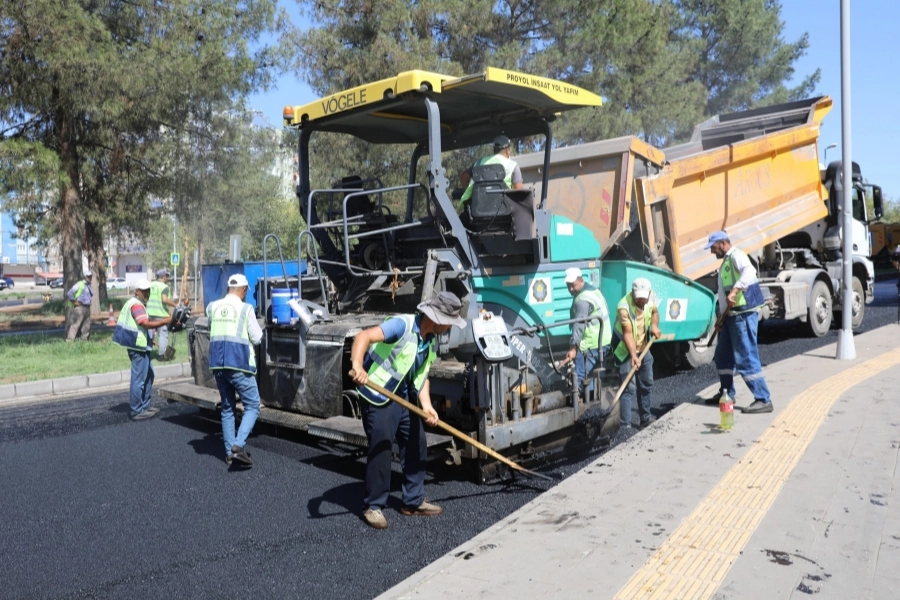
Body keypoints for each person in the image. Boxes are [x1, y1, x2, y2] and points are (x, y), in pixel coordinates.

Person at [350, 291, 467, 530]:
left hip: (402, 397)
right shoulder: (401, 326)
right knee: (382, 447)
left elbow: (422, 377)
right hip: (377, 395)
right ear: (438, 318)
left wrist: (426, 406)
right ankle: (373, 506)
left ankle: (412, 501)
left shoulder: (430, 341)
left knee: (416, 443)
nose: (451, 328)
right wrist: (357, 365)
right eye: (450, 323)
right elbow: (363, 336)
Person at [704, 231, 773, 414]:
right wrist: (721, 318)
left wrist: (735, 290)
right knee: (722, 355)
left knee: (745, 355)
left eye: (713, 246)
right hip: (731, 315)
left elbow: (750, 271)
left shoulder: (737, 255)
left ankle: (763, 398)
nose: (712, 251)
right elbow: (722, 293)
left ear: (723, 242)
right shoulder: (726, 262)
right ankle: (727, 393)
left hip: (743, 314)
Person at [207, 273, 264, 467]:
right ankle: (238, 446)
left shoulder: (212, 307)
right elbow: (257, 338)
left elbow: (211, 328)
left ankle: (229, 453)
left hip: (218, 365)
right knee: (253, 405)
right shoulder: (246, 308)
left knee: (228, 408)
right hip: (239, 364)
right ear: (244, 290)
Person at [112, 280, 172, 420]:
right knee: (139, 379)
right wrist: (164, 321)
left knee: (149, 375)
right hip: (137, 347)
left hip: (143, 345)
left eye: (148, 291)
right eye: (144, 291)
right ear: (137, 291)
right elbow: (144, 323)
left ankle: (145, 406)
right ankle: (136, 410)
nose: (147, 293)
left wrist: (151, 339)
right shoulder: (136, 305)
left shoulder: (138, 304)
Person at [612, 278, 662, 429]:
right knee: (628, 387)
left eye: (643, 298)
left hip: (643, 346)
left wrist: (654, 325)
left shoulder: (650, 297)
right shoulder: (623, 306)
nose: (641, 301)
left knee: (646, 383)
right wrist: (633, 355)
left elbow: (654, 312)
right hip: (624, 349)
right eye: (638, 297)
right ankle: (624, 425)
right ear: (633, 293)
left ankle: (645, 418)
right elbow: (627, 333)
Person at [563, 267, 611, 395]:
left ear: (580, 280)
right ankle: (592, 404)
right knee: (589, 377)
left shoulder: (583, 300)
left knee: (577, 378)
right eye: (568, 286)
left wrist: (573, 348)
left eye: (573, 285)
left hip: (591, 343)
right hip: (603, 340)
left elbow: (579, 326)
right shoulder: (593, 290)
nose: (570, 289)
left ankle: (581, 408)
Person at [458, 135, 525, 210]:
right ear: (507, 151)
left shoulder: (479, 163)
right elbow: (519, 191)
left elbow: (463, 177)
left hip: (478, 210)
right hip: (504, 210)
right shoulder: (512, 165)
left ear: (494, 150)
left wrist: (474, 196)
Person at [148, 269, 180, 360]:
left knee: (150, 334)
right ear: (163, 277)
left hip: (150, 313)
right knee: (163, 334)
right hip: (160, 315)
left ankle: (146, 352)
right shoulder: (164, 287)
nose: (167, 278)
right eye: (167, 276)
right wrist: (175, 305)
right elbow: (164, 300)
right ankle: (161, 355)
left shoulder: (151, 285)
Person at [65, 270, 94, 342]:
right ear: (84, 277)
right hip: (80, 308)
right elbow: (70, 293)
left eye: (90, 276)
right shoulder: (80, 284)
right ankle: (69, 341)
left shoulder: (88, 285)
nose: (90, 278)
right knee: (75, 325)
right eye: (88, 276)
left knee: (86, 326)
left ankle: (84, 340)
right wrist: (74, 302)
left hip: (87, 307)